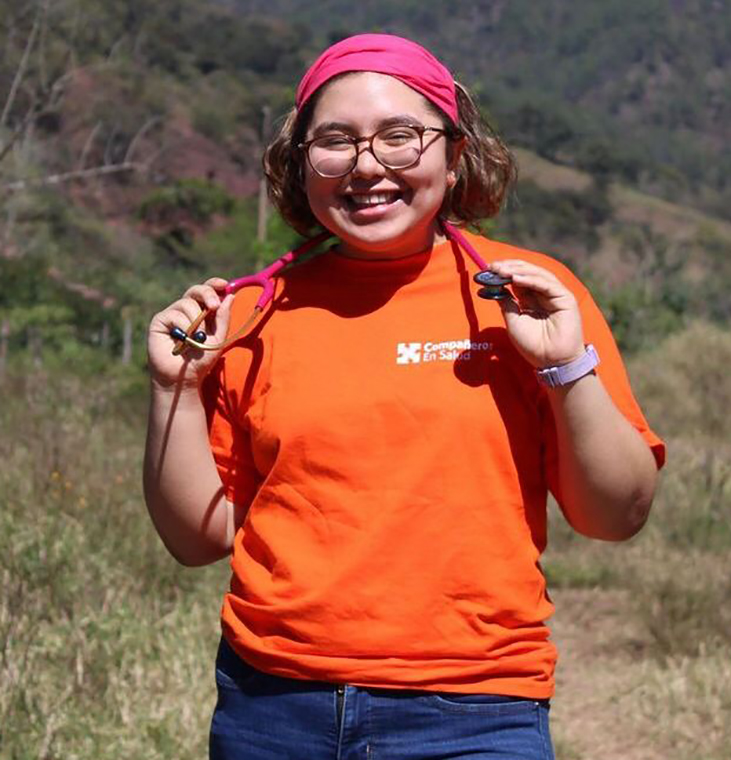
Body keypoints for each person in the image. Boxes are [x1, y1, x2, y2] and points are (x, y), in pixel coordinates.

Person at [143, 33, 665, 760]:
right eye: (335, 142)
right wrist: (175, 388)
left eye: (400, 138)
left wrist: (567, 368)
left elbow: (616, 516)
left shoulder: (533, 298)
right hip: (272, 707)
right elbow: (196, 539)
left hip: (476, 710)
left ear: (454, 159)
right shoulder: (251, 312)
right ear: (302, 167)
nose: (366, 166)